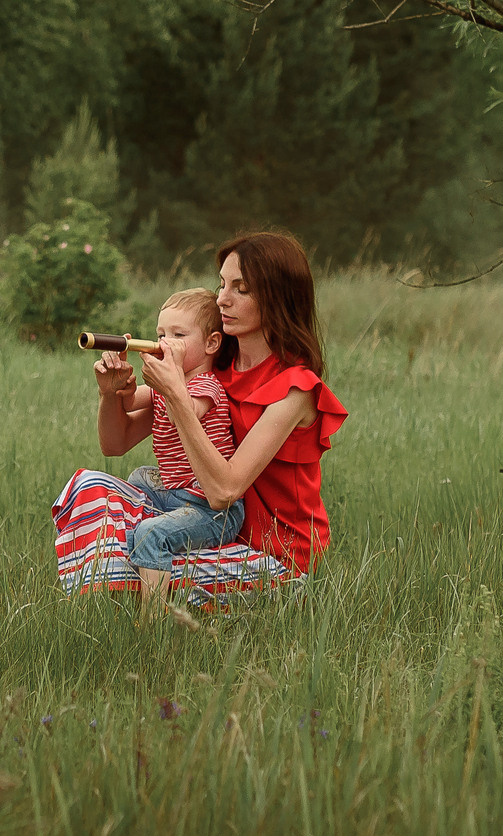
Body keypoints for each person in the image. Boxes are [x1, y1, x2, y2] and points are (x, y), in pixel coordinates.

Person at [52, 229, 347, 602]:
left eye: (241, 289)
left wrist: (176, 393)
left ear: (277, 297)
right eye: (222, 284)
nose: (222, 299)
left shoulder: (295, 390)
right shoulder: (212, 370)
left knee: (149, 553)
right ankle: (120, 602)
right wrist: (110, 394)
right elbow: (116, 443)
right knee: (90, 487)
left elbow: (224, 491)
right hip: (210, 530)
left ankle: (151, 625)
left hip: (275, 556)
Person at [93, 288, 242, 612]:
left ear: (211, 344)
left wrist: (170, 380)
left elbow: (182, 413)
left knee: (149, 533)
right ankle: (134, 570)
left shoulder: (204, 385)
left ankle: (153, 619)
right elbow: (131, 403)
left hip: (212, 509)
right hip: (175, 492)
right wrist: (119, 386)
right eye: (161, 333)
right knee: (139, 476)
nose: (163, 341)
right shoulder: (168, 384)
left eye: (177, 334)